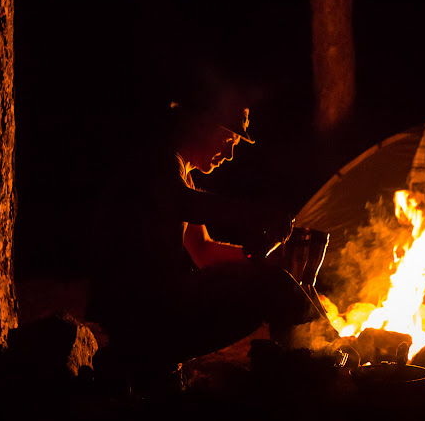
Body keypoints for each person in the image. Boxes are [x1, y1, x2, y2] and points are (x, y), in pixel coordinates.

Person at [88, 92, 327, 386]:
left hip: (145, 311)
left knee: (275, 281)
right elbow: (184, 204)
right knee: (275, 289)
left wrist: (271, 261)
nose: (228, 155)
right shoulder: (158, 162)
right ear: (202, 123)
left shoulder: (175, 172)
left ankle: (313, 360)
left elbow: (202, 251)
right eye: (229, 141)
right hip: (145, 315)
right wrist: (257, 215)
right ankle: (311, 373)